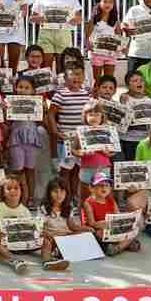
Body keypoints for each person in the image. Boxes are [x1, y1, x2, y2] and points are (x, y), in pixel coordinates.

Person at [46, 64, 89, 204]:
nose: (77, 77)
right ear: (65, 78)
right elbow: (50, 114)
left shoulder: (86, 94)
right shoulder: (60, 94)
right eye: (73, 74)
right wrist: (55, 131)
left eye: (79, 74)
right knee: (65, 171)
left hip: (81, 141)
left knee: (77, 170)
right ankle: (65, 198)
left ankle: (74, 197)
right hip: (65, 141)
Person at [30, 0, 83, 67]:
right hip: (46, 34)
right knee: (45, 68)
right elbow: (32, 18)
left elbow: (79, 17)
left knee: (62, 68)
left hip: (64, 34)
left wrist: (74, 20)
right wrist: (41, 18)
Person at [82, 172, 142, 256]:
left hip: (113, 228)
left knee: (134, 229)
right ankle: (123, 244)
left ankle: (117, 247)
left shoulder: (111, 200)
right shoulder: (88, 202)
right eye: (100, 185)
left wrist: (126, 218)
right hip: (98, 229)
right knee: (99, 233)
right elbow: (91, 223)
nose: (104, 188)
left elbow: (117, 214)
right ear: (91, 188)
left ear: (110, 188)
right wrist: (102, 224)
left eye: (107, 185)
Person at [7, 75, 44, 206]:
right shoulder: (10, 102)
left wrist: (43, 108)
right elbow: (7, 121)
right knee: (17, 170)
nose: (23, 90)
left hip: (31, 139)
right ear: (15, 88)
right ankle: (19, 198)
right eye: (20, 87)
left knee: (30, 169)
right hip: (16, 140)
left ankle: (31, 199)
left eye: (27, 88)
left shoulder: (37, 103)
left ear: (33, 90)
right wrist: (4, 109)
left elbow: (41, 121)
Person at [84, 0, 122, 80]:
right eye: (105, 1)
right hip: (97, 53)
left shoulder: (115, 20)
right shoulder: (93, 19)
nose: (108, 4)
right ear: (99, 3)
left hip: (111, 54)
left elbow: (119, 36)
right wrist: (88, 45)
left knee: (109, 79)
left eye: (110, 2)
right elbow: (87, 35)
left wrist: (120, 47)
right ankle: (96, 89)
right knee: (97, 80)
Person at [118, 71, 150, 161]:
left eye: (141, 80)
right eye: (135, 81)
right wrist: (123, 102)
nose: (139, 82)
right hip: (128, 140)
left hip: (145, 140)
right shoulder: (124, 98)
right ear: (128, 85)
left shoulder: (150, 100)